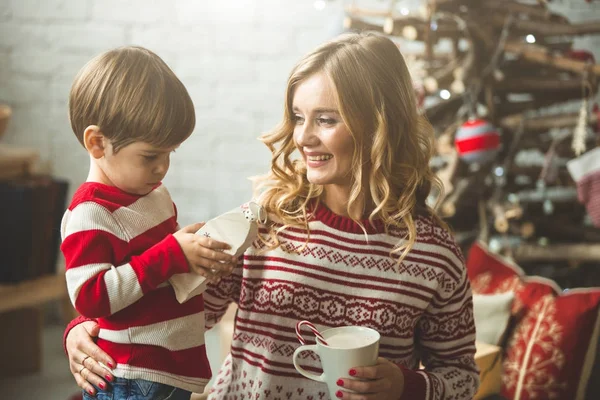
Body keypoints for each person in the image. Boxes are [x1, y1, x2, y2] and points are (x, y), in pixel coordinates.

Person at [64, 32, 480, 400]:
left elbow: (461, 378)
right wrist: (83, 328)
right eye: (299, 117)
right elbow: (175, 307)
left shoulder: (434, 255)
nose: (303, 137)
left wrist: (406, 386)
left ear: (379, 126)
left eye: (326, 120)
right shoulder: (263, 221)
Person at [61, 46, 238, 400]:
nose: (162, 168)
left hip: (172, 366)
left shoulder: (153, 195)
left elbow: (162, 278)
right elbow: (90, 297)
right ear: (97, 143)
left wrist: (196, 258)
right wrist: (173, 252)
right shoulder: (89, 214)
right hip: (132, 373)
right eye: (150, 156)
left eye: (170, 153)